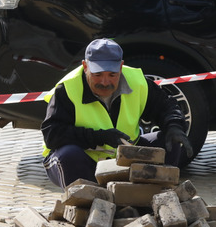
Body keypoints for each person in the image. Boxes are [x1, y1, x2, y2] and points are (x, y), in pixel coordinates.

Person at [41, 38, 194, 188]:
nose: (105, 82)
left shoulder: (138, 82)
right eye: (98, 74)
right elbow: (52, 134)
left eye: (112, 75)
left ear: (121, 67)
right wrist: (99, 137)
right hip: (84, 160)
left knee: (170, 141)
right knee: (69, 155)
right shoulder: (67, 89)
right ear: (85, 66)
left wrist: (174, 125)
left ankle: (149, 198)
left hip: (124, 158)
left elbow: (166, 105)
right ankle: (87, 202)